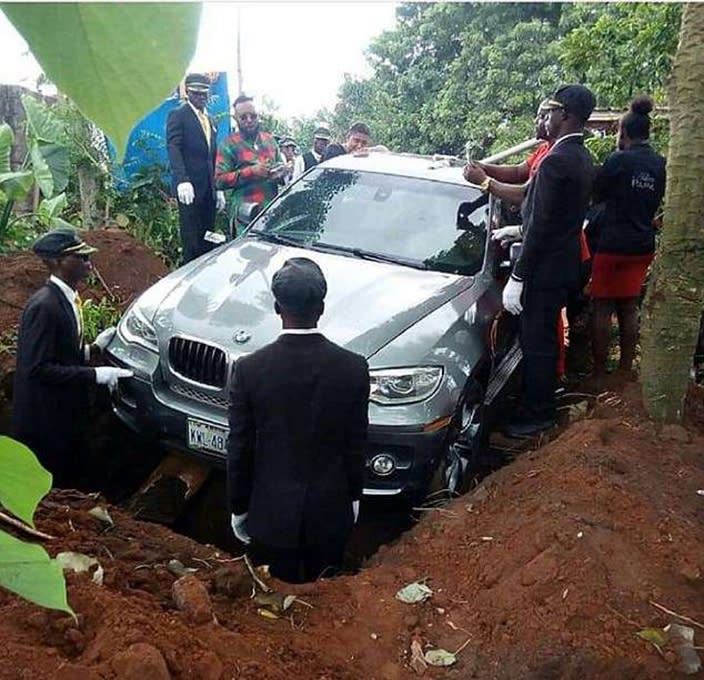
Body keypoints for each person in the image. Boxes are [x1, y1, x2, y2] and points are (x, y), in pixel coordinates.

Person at [227, 257, 369, 583]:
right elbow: (355, 443)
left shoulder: (250, 370)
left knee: (275, 604)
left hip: (270, 516)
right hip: (331, 513)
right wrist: (354, 496)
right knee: (325, 601)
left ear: (277, 308)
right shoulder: (353, 368)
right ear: (321, 308)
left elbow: (240, 447)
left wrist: (238, 506)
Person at [502, 84, 596, 437]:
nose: (544, 119)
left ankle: (536, 414)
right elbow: (552, 216)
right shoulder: (580, 156)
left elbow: (541, 225)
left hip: (546, 266)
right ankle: (539, 404)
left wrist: (519, 276)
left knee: (537, 341)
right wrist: (517, 230)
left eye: (549, 112)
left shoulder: (557, 160)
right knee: (544, 338)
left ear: (566, 115)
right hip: (563, 261)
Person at [12, 227, 132, 487]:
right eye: (81, 258)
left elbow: (60, 352)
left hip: (65, 416)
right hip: (45, 422)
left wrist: (93, 350)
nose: (88, 264)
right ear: (57, 262)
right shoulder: (44, 307)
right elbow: (38, 368)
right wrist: (96, 375)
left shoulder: (66, 299)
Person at [589, 96, 666, 383]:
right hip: (642, 244)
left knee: (602, 305)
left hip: (613, 244)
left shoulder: (618, 160)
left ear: (625, 133)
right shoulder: (660, 164)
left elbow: (597, 194)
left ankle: (598, 374)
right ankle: (624, 371)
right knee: (629, 305)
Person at [166, 73, 225, 264]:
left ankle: (206, 269)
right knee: (191, 237)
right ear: (188, 93)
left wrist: (219, 186)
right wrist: (182, 179)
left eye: (203, 94)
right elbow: (174, 147)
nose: (200, 98)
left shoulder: (210, 120)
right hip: (189, 188)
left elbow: (212, 155)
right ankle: (190, 275)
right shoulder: (179, 115)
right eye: (196, 94)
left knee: (208, 234)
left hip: (209, 187)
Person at [215, 94, 281, 235]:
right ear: (236, 119)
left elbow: (280, 168)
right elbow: (219, 181)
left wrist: (281, 173)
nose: (249, 120)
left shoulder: (270, 140)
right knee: (246, 255)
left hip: (271, 213)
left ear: (258, 116)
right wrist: (251, 172)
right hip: (245, 217)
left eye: (253, 116)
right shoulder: (229, 144)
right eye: (243, 117)